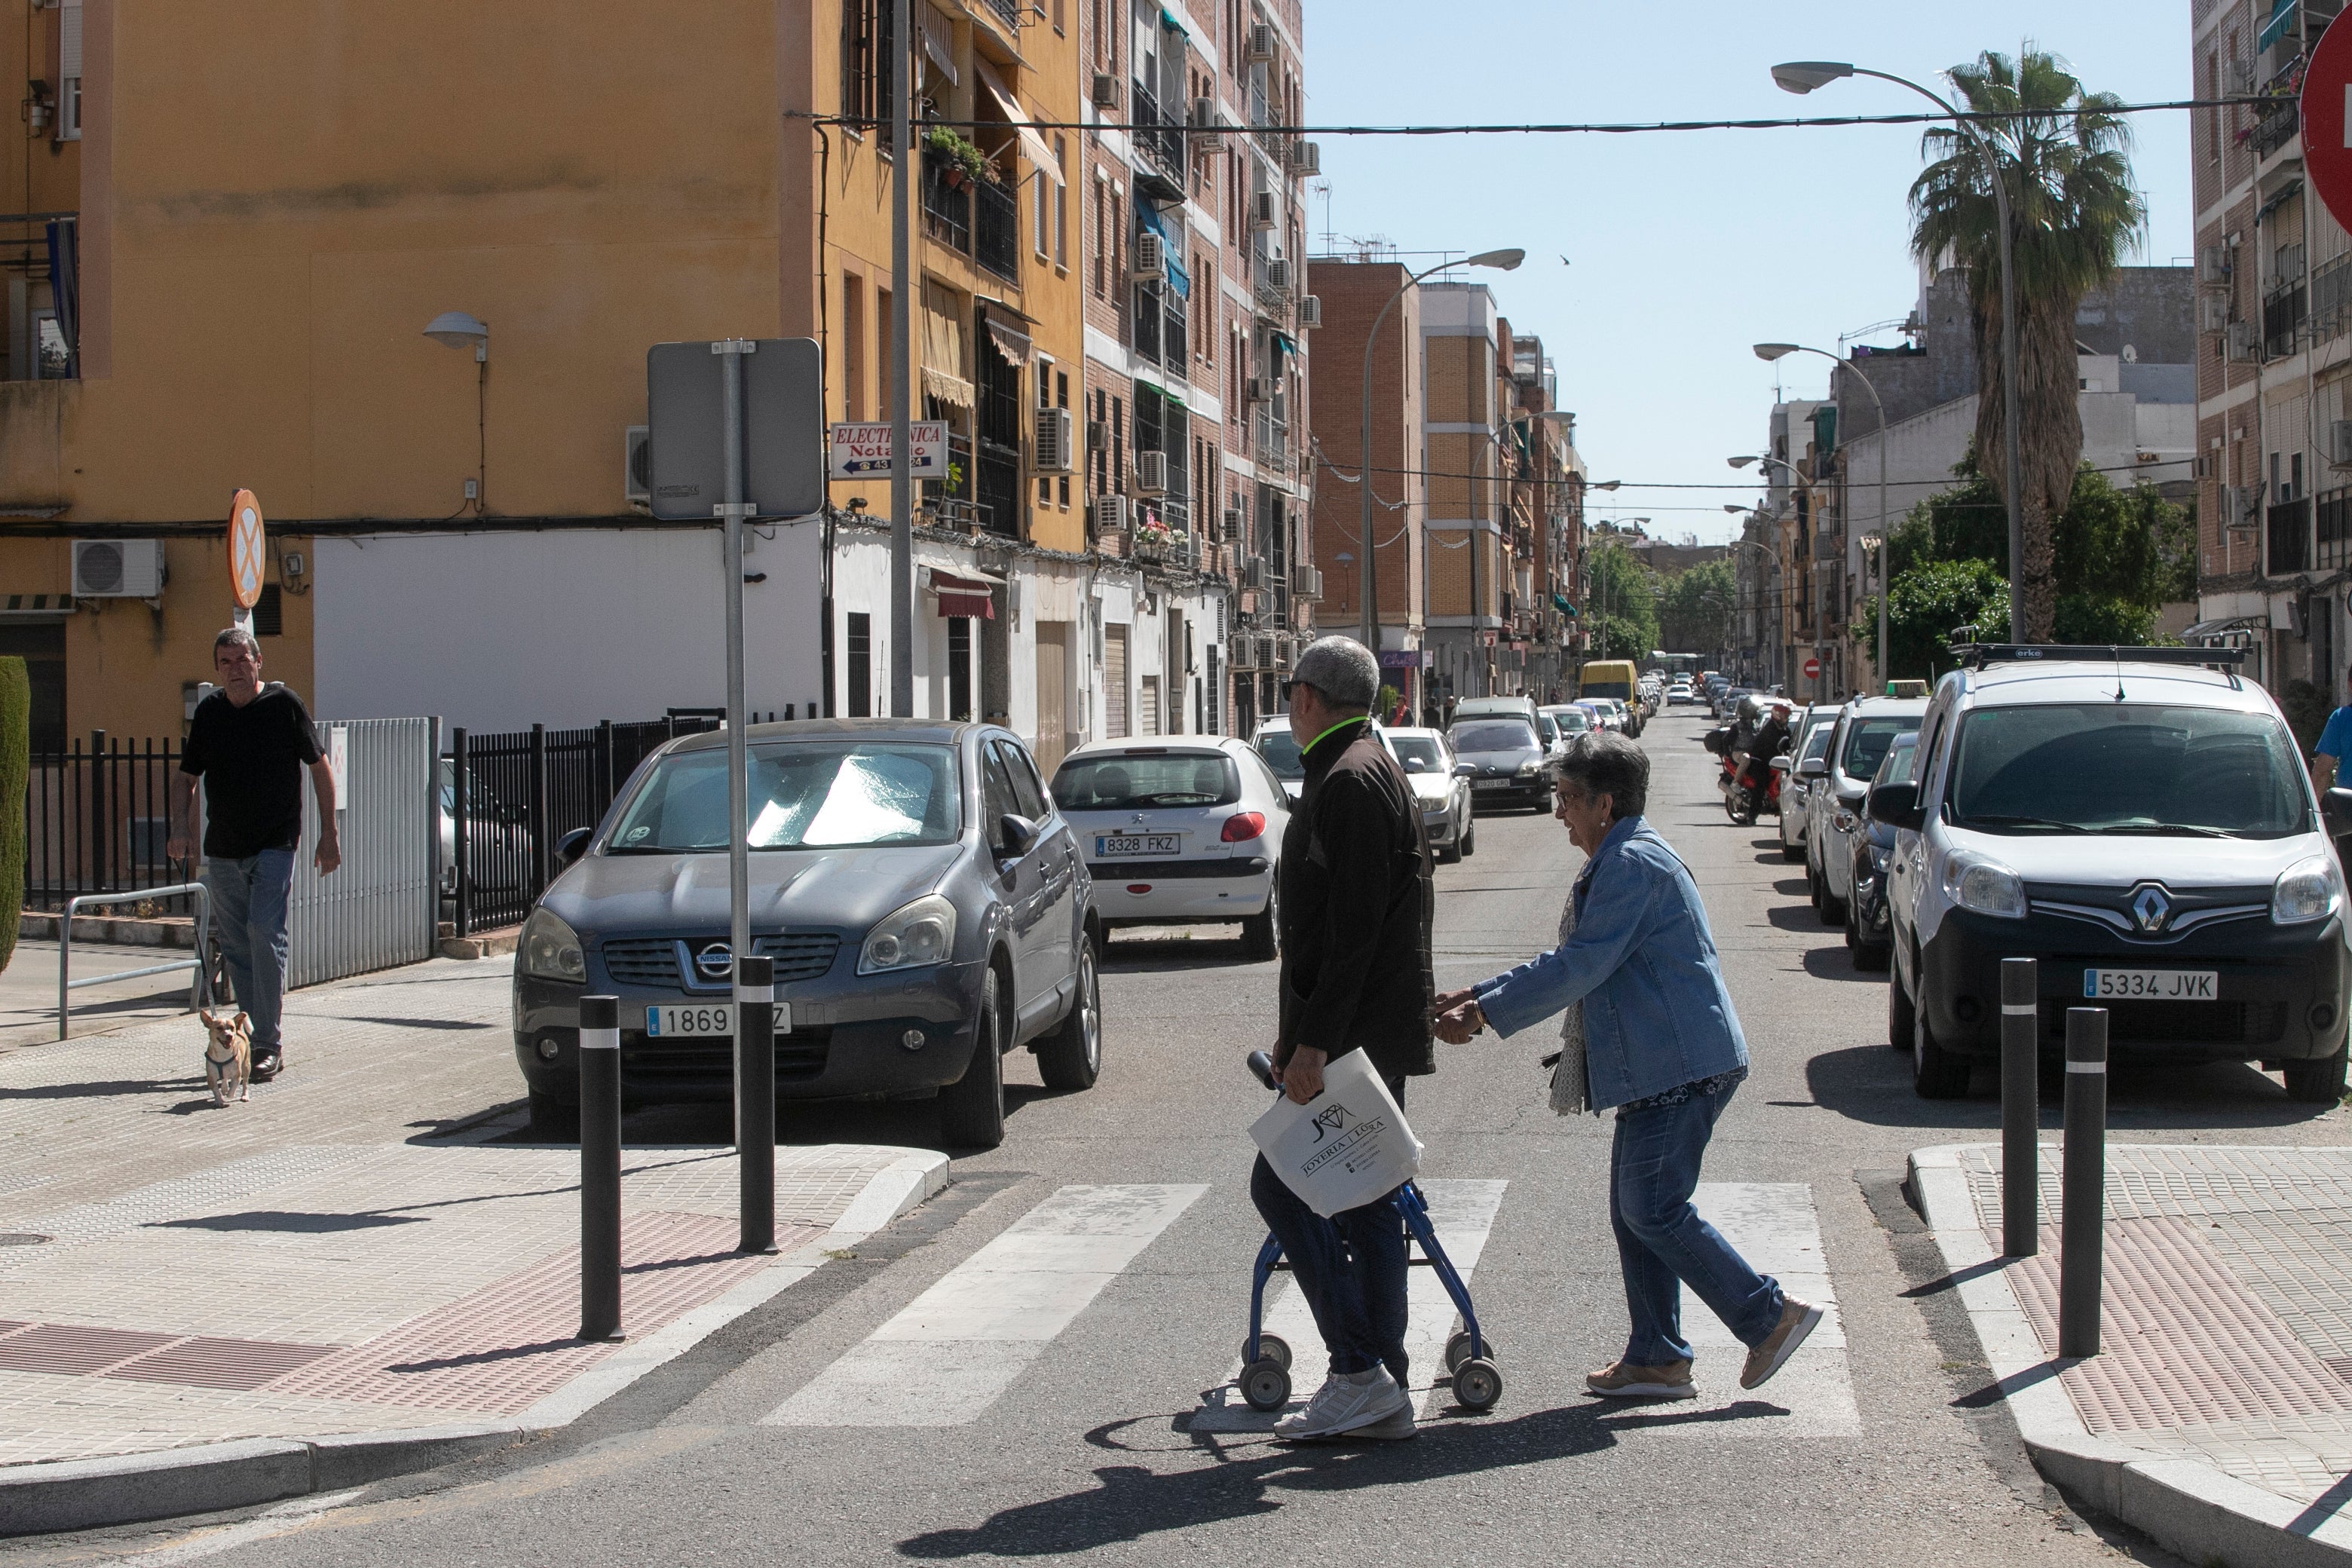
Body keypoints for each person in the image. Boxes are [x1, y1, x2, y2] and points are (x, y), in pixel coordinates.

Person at [1435, 733, 1821, 1401]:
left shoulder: (1632, 865)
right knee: (1634, 1210)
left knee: (1654, 1209)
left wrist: (1485, 1015)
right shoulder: (1623, 856)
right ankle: (1658, 1355)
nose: (1559, 813)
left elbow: (1579, 967)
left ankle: (1768, 1318)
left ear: (1604, 804)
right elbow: (1571, 958)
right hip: (1660, 1066)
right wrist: (1478, 996)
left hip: (1681, 1067)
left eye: (1567, 799)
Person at [1253, 635, 1435, 1442]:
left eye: (1291, 692)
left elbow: (1354, 934)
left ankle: (1361, 1368)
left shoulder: (1352, 781)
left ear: (1306, 699)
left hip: (1352, 1044)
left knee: (1283, 1187)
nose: (1288, 705)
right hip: (1358, 1037)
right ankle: (1378, 1376)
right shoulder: (1356, 767)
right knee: (1364, 1205)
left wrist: (1314, 1046)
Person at [167, 628, 340, 1081]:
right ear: (218, 670)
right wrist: (180, 828)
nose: (235, 669)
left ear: (258, 661)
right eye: (225, 663)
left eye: (242, 660)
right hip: (222, 849)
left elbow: (320, 768)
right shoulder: (210, 713)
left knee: (265, 931)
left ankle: (269, 1042)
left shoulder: (284, 705)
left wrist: (329, 834)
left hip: (275, 843)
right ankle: (248, 1039)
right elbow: (185, 777)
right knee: (237, 946)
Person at [2314, 666, 2352, 790]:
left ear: (2350, 685)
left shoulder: (2342, 717)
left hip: (2347, 804)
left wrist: (2313, 807)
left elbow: (2323, 771)